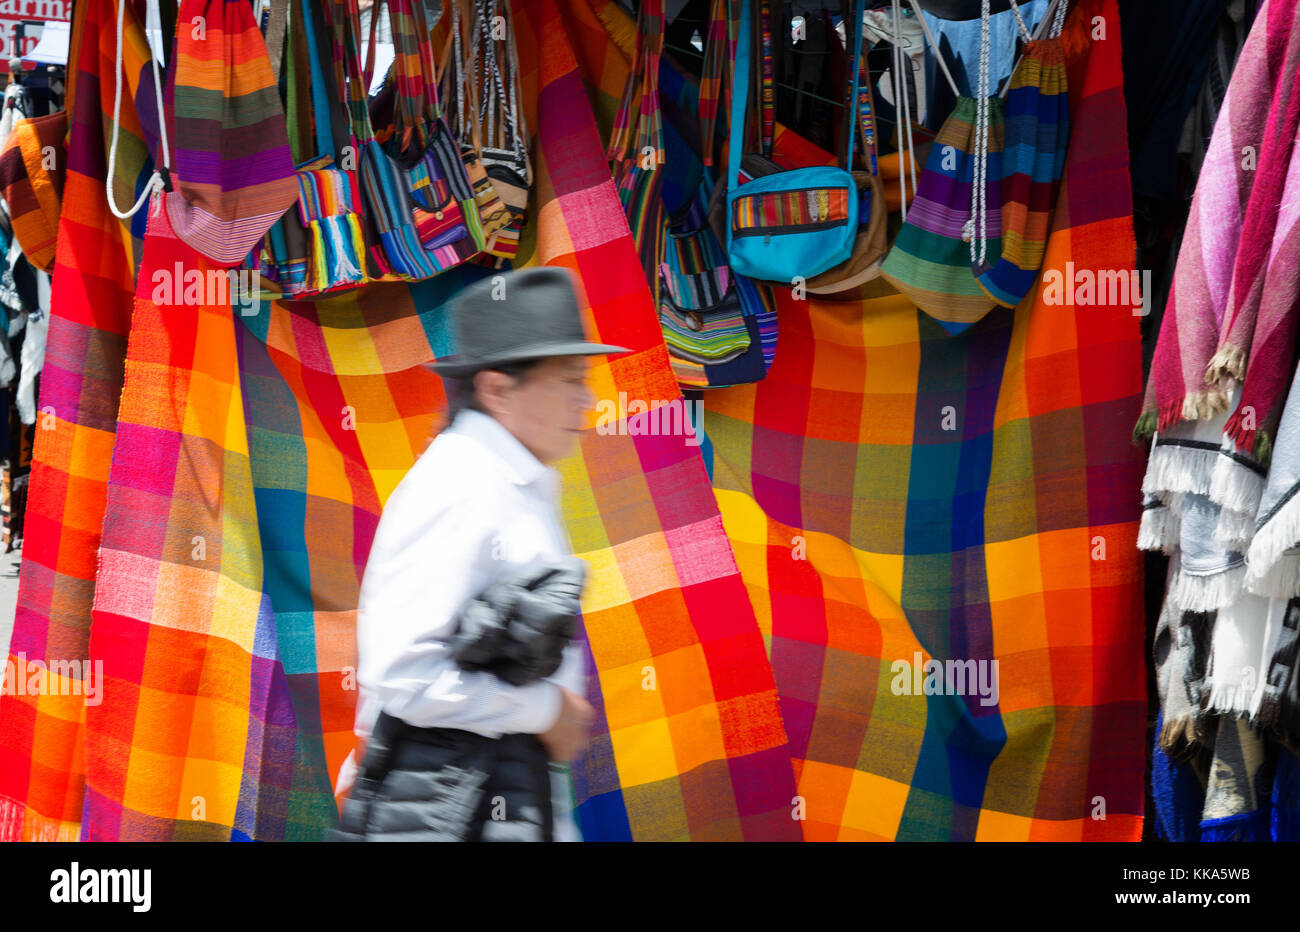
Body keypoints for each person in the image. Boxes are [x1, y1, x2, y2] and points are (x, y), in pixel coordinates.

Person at [337, 266, 630, 841]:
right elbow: (404, 674)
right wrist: (548, 711)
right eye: (569, 379)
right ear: (497, 389)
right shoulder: (461, 484)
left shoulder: (511, 479)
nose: (587, 399)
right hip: (446, 811)